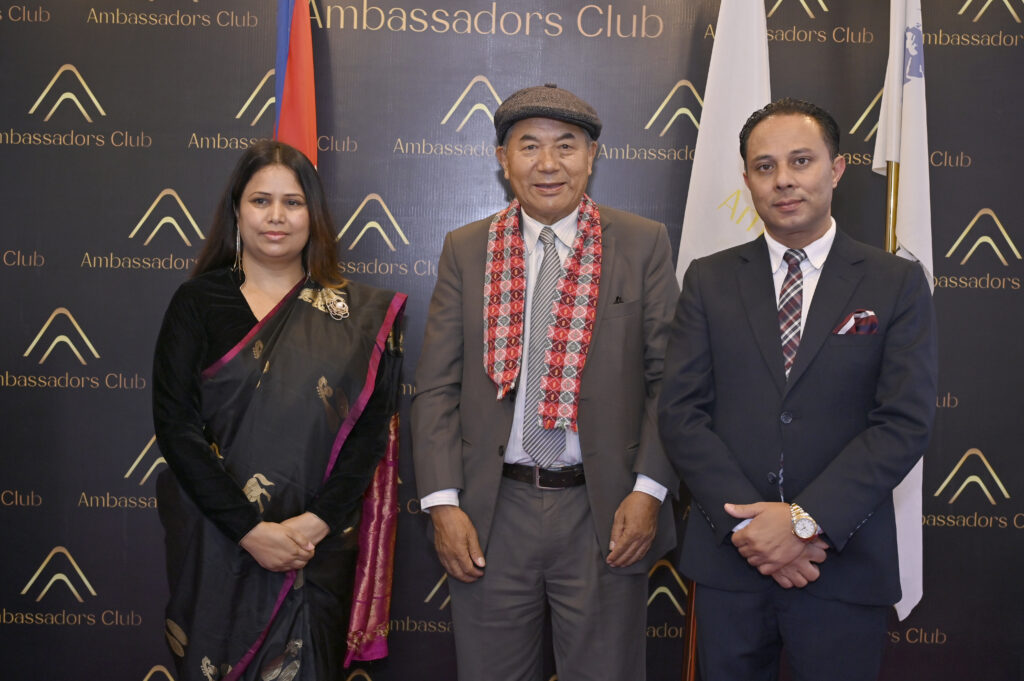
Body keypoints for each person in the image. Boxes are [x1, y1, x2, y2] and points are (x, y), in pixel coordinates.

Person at [658, 98, 937, 681]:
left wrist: (804, 522)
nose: (783, 179)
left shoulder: (896, 282)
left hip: (842, 563)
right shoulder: (708, 279)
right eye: (765, 166)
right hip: (732, 564)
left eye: (801, 161)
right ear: (747, 180)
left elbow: (903, 422)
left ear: (836, 170)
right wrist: (752, 531)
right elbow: (682, 414)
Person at [411, 84, 679, 681]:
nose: (548, 163)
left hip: (605, 509)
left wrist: (649, 491)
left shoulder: (642, 244)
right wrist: (442, 504)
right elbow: (436, 389)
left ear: (592, 156)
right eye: (529, 146)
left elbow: (669, 383)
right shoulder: (467, 249)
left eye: (567, 145)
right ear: (503, 160)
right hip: (491, 510)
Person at [152, 140, 406, 681]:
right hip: (217, 542)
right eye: (260, 200)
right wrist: (248, 530)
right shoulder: (198, 304)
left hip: (312, 553)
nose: (276, 217)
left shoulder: (357, 317)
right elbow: (177, 428)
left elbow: (367, 438)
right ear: (236, 210)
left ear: (314, 215)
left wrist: (313, 526)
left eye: (293, 202)